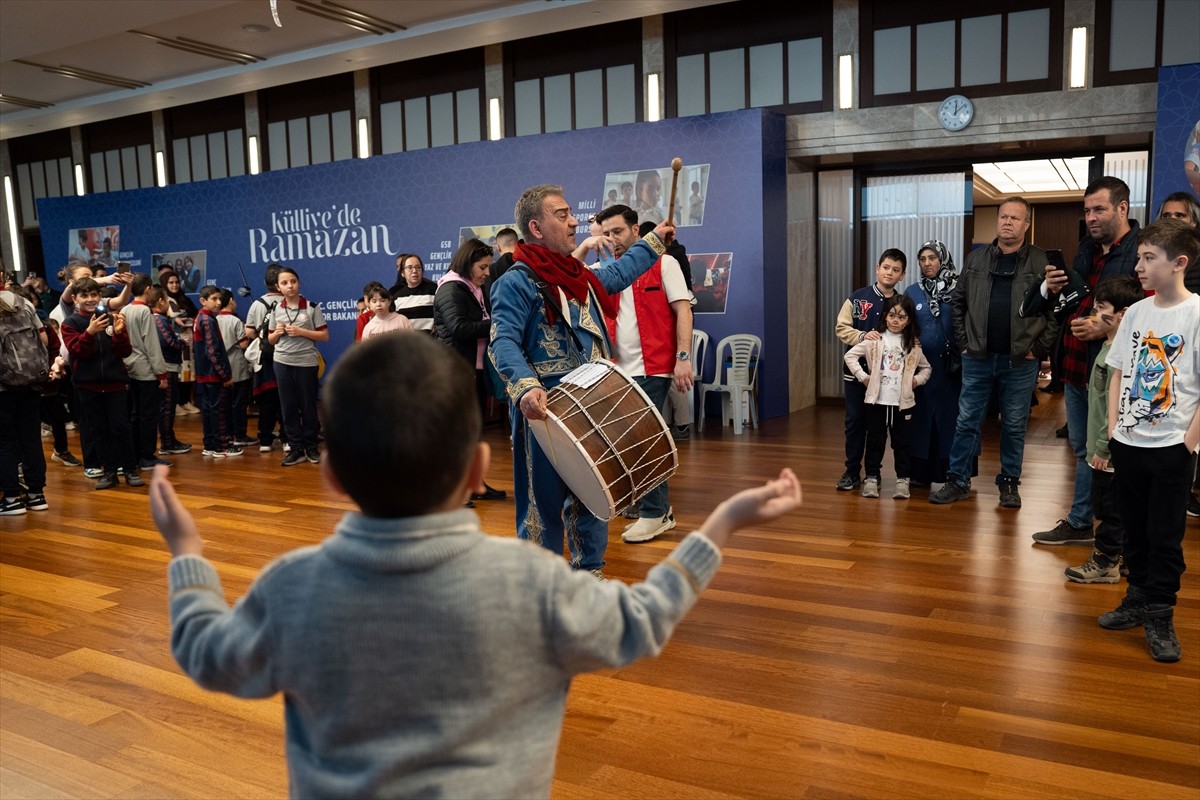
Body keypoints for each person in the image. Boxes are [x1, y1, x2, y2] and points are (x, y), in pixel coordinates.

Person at [149, 331, 802, 798]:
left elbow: (208, 653)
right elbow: (643, 619)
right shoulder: (532, 581)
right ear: (479, 471)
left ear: (329, 477)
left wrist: (188, 554)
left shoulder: (290, 589)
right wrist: (721, 525)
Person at [489, 183, 675, 578]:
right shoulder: (516, 282)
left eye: (571, 213)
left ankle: (588, 574)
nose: (575, 221)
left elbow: (621, 271)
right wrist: (526, 386)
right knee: (542, 503)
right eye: (563, 215)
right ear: (536, 227)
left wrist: (653, 239)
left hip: (590, 402)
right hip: (543, 410)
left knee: (593, 495)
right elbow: (502, 340)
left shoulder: (576, 276)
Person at [1099, 219, 1200, 662]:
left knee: (1164, 535)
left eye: (1148, 258)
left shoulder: (1196, 314)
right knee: (1133, 530)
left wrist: (1189, 442)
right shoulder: (1137, 312)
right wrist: (1113, 427)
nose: (1138, 267)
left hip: (1173, 447)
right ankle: (1137, 598)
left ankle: (1160, 612)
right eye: (1139, 257)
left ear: (1179, 263)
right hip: (1129, 442)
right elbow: (1118, 369)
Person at [1022, 178, 1142, 541]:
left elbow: (1141, 310)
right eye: (1087, 210)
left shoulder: (1141, 251)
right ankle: (1081, 522)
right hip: (1075, 364)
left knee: (1113, 451)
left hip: (1113, 369)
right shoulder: (1086, 249)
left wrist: (1100, 328)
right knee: (1083, 448)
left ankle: (1116, 533)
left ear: (1122, 208)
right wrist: (1055, 288)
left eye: (1099, 209)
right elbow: (1076, 302)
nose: (1091, 217)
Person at [929, 198, 1058, 508]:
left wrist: (1039, 348)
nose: (1007, 222)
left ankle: (1009, 483)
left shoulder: (1041, 261)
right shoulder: (976, 259)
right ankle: (957, 480)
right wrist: (963, 342)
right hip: (977, 357)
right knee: (966, 421)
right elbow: (958, 302)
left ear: (1026, 224)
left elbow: (1056, 309)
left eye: (1015, 218)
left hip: (1020, 360)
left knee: (1013, 424)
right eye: (1003, 216)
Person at [593, 204, 693, 541]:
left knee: (643, 439)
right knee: (623, 441)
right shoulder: (604, 269)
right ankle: (642, 502)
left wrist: (683, 357)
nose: (612, 239)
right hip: (615, 371)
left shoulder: (664, 263)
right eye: (606, 233)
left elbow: (683, 311)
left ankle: (656, 512)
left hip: (654, 367)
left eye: (618, 231)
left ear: (637, 231)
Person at [1053, 276, 1143, 582]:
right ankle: (1125, 558)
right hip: (1103, 447)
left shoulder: (1122, 353)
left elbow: (1113, 408)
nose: (1094, 313)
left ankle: (1106, 561)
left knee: (1109, 509)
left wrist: (1103, 448)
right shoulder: (1108, 346)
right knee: (1115, 506)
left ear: (1123, 314)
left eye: (1101, 307)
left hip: (1109, 451)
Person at [434, 239, 505, 503]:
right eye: (482, 267)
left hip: (470, 369)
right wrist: (496, 324)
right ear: (467, 264)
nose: (487, 273)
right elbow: (459, 328)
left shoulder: (471, 288)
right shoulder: (451, 289)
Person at [842, 294, 932, 500]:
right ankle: (871, 477)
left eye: (901, 317)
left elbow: (926, 368)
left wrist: (916, 381)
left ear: (908, 320)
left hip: (903, 404)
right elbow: (850, 356)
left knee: (902, 443)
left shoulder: (913, 344)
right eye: (891, 315)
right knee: (875, 441)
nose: (895, 320)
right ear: (885, 316)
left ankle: (903, 480)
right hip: (876, 402)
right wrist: (864, 377)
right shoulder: (876, 339)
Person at [60, 277, 144, 490]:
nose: (90, 299)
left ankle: (130, 469)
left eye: (94, 295)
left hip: (115, 384)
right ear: (75, 299)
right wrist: (89, 333)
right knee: (99, 430)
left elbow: (124, 351)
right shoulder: (70, 323)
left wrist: (119, 333)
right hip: (88, 386)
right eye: (84, 295)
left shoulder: (111, 317)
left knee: (121, 428)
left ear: (100, 296)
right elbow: (78, 352)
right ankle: (109, 471)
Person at [834, 249, 907, 491]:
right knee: (855, 422)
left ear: (902, 275)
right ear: (877, 268)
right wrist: (862, 336)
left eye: (895, 270)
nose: (889, 272)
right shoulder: (857, 298)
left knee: (879, 429)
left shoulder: (900, 303)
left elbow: (908, 333)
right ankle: (851, 471)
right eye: (886, 267)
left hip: (887, 381)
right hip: (856, 375)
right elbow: (841, 328)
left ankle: (873, 474)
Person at [904, 240, 961, 486]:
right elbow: (903, 322)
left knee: (951, 419)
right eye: (922, 259)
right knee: (921, 417)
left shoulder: (959, 289)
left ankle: (954, 473)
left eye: (932, 258)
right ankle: (920, 474)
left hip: (953, 369)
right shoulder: (912, 291)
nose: (927, 263)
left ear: (943, 259)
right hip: (921, 367)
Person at [268, 266, 329, 466]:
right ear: (278, 287)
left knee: (308, 406)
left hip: (306, 362)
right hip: (282, 362)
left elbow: (324, 335)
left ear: (299, 283)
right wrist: (277, 333)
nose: (290, 285)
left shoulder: (312, 307)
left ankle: (311, 447)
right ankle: (295, 448)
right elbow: (270, 340)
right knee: (288, 407)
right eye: (284, 283)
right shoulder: (276, 308)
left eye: (293, 281)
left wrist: (301, 331)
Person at [0, 286, 52, 514]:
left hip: (3, 386)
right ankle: (36, 495)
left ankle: (11, 498)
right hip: (30, 380)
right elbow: (44, 339)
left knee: (4, 441)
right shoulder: (23, 301)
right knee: (31, 439)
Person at [122, 273, 172, 470]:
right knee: (148, 416)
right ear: (147, 289)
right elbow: (151, 345)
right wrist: (161, 372)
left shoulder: (124, 309)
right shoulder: (145, 312)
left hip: (129, 368)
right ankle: (147, 455)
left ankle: (134, 454)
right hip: (145, 370)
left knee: (135, 414)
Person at [193, 286, 238, 458]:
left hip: (205, 374)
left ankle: (210, 444)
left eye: (220, 298)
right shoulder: (208, 320)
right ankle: (221, 446)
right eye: (214, 299)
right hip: (213, 374)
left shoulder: (200, 318)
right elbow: (212, 351)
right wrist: (224, 374)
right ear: (203, 301)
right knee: (218, 410)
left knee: (209, 409)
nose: (219, 302)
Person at [245, 265, 284, 453]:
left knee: (268, 400)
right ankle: (287, 438)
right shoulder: (290, 302)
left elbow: (249, 331)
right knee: (287, 399)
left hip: (266, 358)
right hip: (287, 356)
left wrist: (264, 337)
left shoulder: (257, 304)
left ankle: (265, 440)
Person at [151, 286, 192, 455]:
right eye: (167, 300)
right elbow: (168, 342)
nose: (168, 303)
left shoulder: (160, 318)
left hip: (167, 366)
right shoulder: (158, 319)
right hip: (166, 367)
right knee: (167, 407)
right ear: (160, 301)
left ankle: (169, 440)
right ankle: (167, 443)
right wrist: (183, 342)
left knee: (167, 406)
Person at [217, 288, 255, 450]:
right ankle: (240, 435)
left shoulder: (214, 319)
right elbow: (243, 344)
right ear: (231, 300)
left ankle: (227, 434)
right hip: (237, 368)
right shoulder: (236, 321)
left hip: (221, 369)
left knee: (225, 404)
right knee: (239, 404)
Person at [160, 269, 199, 416]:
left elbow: (195, 314)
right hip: (174, 339)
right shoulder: (164, 300)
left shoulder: (184, 298)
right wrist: (175, 320)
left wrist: (190, 321)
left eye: (176, 282)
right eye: (171, 282)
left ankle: (185, 401)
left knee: (188, 371)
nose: (174, 285)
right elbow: (161, 318)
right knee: (178, 372)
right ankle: (176, 403)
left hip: (188, 339)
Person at [389, 254, 436, 333]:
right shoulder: (397, 296)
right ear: (402, 273)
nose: (414, 271)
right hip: (407, 342)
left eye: (418, 267)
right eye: (410, 267)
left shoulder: (434, 290)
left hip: (431, 342)